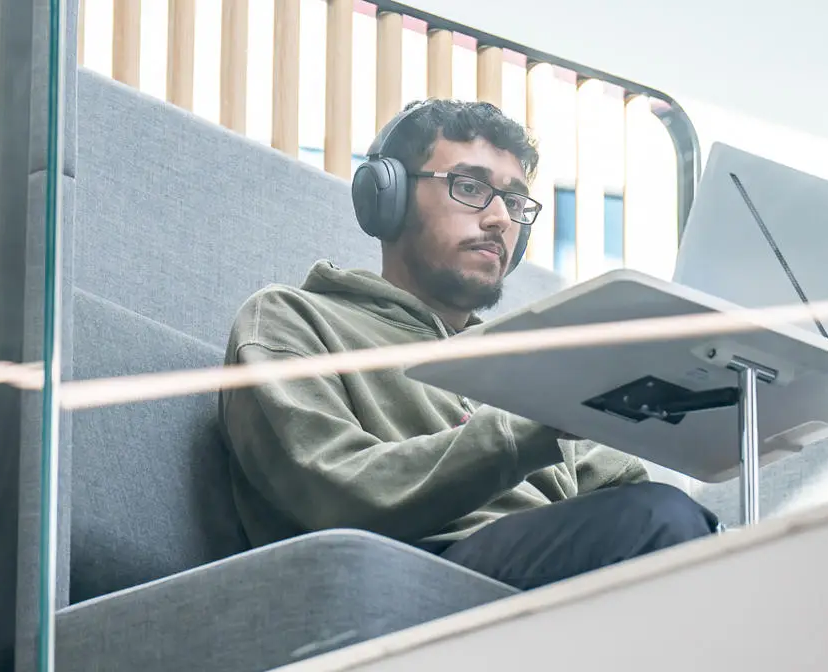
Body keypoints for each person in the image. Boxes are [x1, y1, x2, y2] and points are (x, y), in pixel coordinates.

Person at [219, 99, 718, 591]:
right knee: (661, 522)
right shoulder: (293, 320)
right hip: (408, 570)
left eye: (515, 201)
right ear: (386, 198)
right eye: (470, 186)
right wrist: (528, 422)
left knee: (714, 546)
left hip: (553, 565)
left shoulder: (526, 357)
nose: (500, 218)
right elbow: (332, 491)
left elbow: (622, 493)